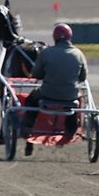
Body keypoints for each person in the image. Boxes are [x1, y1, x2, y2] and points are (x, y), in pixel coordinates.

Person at [21, 22, 88, 151]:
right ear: (70, 37)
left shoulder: (46, 53)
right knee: (73, 103)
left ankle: (28, 128)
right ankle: (71, 129)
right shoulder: (79, 54)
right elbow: (83, 77)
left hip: (48, 93)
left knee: (31, 98)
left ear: (55, 37)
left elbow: (36, 74)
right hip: (70, 95)